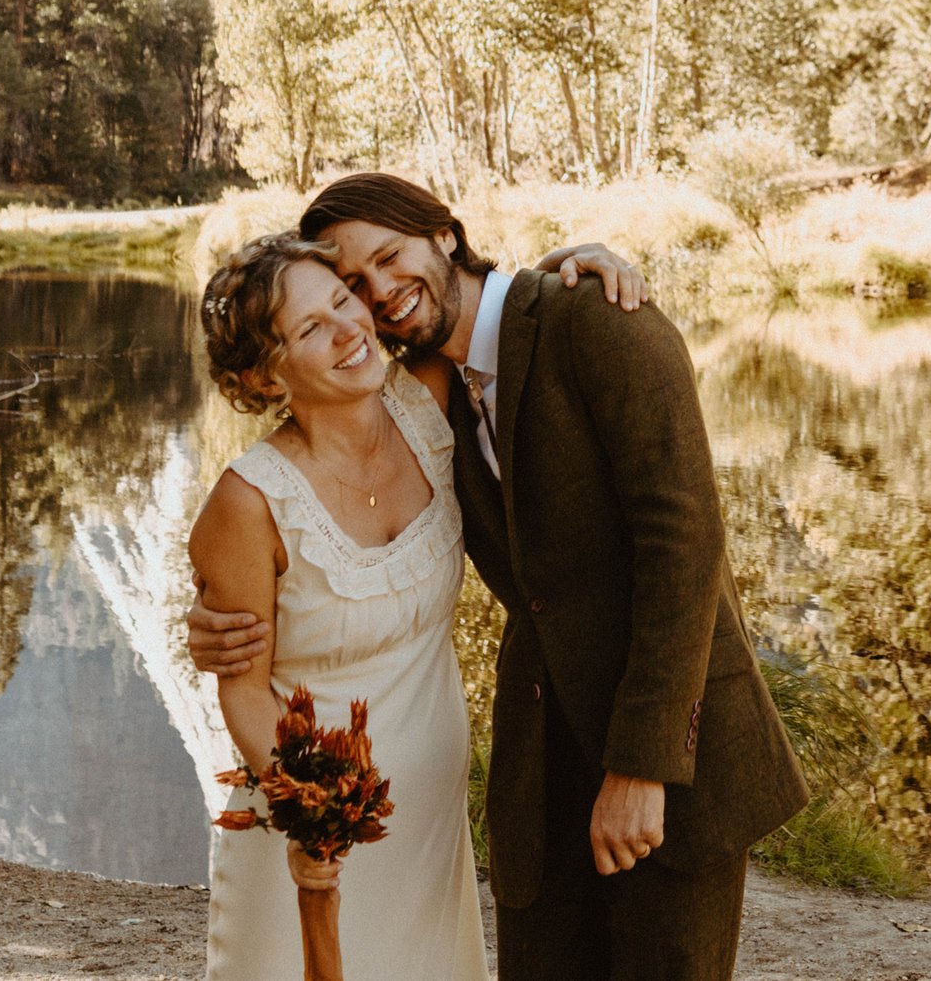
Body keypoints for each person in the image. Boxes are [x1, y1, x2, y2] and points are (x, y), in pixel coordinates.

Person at [191, 175, 808, 981]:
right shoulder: (421, 393)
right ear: (269, 375)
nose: (369, 303)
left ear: (444, 233)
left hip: (660, 752)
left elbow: (684, 543)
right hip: (525, 771)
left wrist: (644, 764)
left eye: (386, 261)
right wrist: (213, 629)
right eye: (348, 289)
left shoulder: (573, 328)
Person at [188, 226, 645, 981]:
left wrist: (579, 266)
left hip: (432, 817)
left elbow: (495, 315)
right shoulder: (248, 502)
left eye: (343, 300)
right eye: (310, 328)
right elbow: (240, 689)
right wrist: (317, 811)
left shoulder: (425, 400)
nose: (348, 330)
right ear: (268, 379)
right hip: (317, 835)